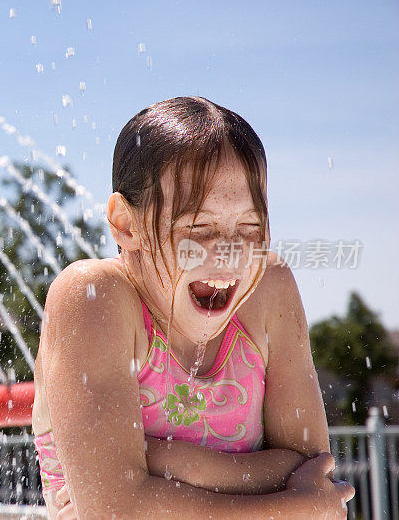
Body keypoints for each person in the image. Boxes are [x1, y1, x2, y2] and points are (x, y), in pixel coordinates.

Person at [30, 97, 356, 518]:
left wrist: (169, 464)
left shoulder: (268, 290)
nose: (229, 254)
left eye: (250, 227)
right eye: (199, 228)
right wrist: (285, 507)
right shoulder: (94, 297)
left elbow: (312, 469)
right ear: (126, 225)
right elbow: (116, 512)